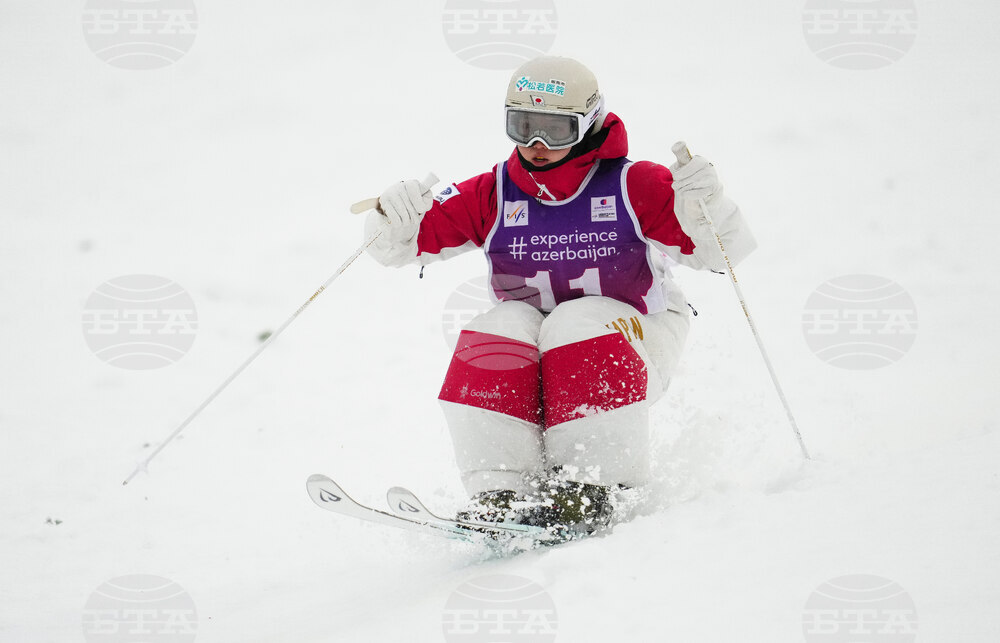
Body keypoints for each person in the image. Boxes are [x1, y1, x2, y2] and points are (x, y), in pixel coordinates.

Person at [364, 56, 756, 534]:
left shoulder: (636, 184)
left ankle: (593, 485)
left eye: (555, 130)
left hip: (636, 336)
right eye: (523, 126)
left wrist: (707, 206)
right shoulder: (495, 192)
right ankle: (503, 492)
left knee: (577, 319)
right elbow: (397, 247)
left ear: (589, 122)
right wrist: (391, 219)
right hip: (541, 347)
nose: (537, 145)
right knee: (495, 327)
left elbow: (723, 253)